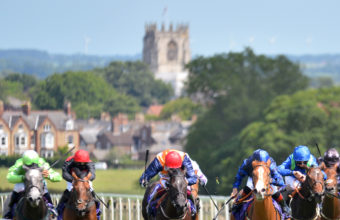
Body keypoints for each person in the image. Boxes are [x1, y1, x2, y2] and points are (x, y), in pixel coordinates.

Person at [3, 150, 61, 219]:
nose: (32, 167)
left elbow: (58, 177)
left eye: (34, 165)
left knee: (45, 191)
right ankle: (8, 213)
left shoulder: (42, 163)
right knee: (16, 190)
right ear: (23, 161)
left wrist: (49, 175)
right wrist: (23, 177)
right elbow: (9, 177)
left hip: (38, 183)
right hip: (23, 182)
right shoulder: (19, 163)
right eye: (29, 165)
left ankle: (51, 210)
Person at [230, 149, 290, 216]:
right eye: (258, 162)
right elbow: (239, 176)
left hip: (267, 179)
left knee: (275, 191)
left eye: (263, 163)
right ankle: (237, 204)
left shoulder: (271, 164)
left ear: (267, 162)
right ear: (254, 161)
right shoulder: (247, 163)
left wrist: (271, 180)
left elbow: (280, 181)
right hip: (254, 178)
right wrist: (235, 189)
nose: (261, 164)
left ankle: (284, 206)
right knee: (248, 187)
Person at [139, 149, 198, 217]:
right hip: (166, 176)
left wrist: (186, 182)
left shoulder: (184, 158)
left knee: (188, 191)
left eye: (175, 168)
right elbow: (148, 174)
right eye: (171, 168)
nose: (173, 170)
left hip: (180, 177)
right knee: (154, 191)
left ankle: (193, 209)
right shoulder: (159, 160)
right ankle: (150, 208)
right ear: (166, 164)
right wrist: (144, 180)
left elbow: (193, 178)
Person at [56, 149, 101, 218]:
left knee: (91, 190)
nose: (81, 164)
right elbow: (64, 174)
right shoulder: (68, 162)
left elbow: (92, 175)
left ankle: (97, 209)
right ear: (75, 159)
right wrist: (73, 180)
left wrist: (86, 180)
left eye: (83, 163)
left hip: (85, 178)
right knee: (68, 190)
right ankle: (59, 209)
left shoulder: (90, 163)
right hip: (72, 178)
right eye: (79, 162)